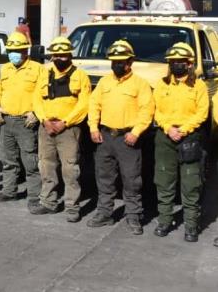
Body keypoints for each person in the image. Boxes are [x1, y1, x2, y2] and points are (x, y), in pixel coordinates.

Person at [87, 40, 155, 235]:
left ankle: (134, 216)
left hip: (128, 139)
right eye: (114, 61)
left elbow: (147, 111)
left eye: (121, 61)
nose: (117, 65)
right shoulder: (104, 81)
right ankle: (104, 214)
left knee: (132, 179)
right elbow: (94, 105)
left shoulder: (140, 84)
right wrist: (93, 128)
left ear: (130, 61)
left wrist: (136, 132)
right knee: (104, 178)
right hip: (105, 136)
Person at [31, 37, 91, 221]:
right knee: (46, 165)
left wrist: (65, 122)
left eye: (64, 55)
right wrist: (44, 120)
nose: (60, 58)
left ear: (70, 55)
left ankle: (72, 207)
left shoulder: (80, 75)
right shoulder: (44, 74)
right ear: (52, 56)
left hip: (68, 129)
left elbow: (84, 104)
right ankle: (48, 202)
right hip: (46, 127)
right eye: (57, 55)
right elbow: (36, 100)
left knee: (70, 169)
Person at [153, 42, 208, 242]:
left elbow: (202, 112)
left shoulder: (199, 85)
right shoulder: (162, 84)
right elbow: (156, 110)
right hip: (165, 136)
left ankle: (192, 226)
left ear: (189, 64)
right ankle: (165, 221)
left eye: (180, 62)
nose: (177, 65)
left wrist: (183, 130)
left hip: (190, 138)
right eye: (173, 62)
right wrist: (168, 128)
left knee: (191, 182)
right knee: (164, 180)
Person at [0, 31, 46, 211]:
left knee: (30, 161)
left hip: (26, 122)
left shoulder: (38, 69)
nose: (14, 54)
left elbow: (43, 94)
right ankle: (9, 191)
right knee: (7, 159)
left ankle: (34, 197)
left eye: (17, 50)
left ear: (25, 51)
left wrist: (37, 113)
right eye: (11, 51)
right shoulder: (5, 69)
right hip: (6, 121)